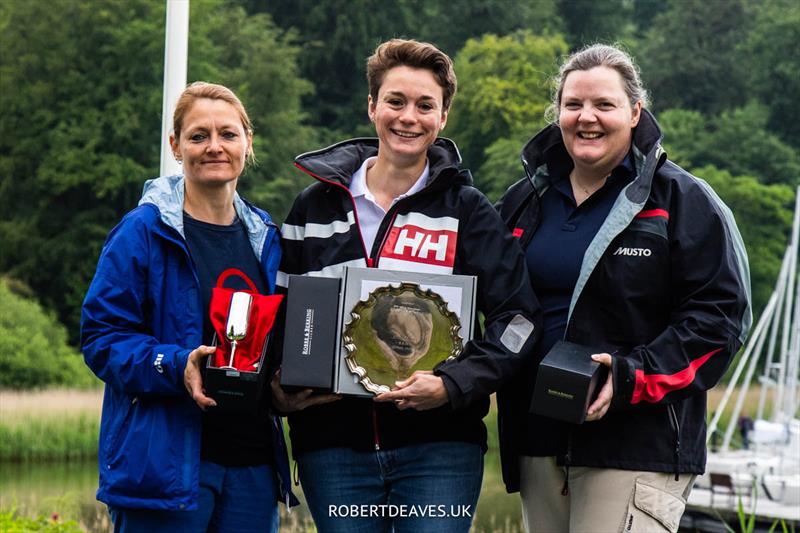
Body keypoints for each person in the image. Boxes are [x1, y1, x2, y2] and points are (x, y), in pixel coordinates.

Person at [272, 39, 540, 532]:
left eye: (425, 105)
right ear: (372, 106)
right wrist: (276, 390)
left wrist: (454, 384)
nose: (408, 117)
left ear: (443, 117)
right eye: (395, 101)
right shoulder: (313, 208)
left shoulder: (468, 211)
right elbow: (279, 315)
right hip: (332, 451)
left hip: (441, 450)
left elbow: (519, 321)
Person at [495, 43, 752, 532]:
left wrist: (632, 376)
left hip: (636, 444)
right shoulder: (522, 201)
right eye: (573, 105)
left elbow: (719, 322)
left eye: (604, 105)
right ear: (558, 114)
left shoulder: (682, 200)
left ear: (635, 112)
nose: (586, 118)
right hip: (537, 441)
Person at [81, 82, 296, 533]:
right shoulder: (141, 231)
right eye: (199, 136)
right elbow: (101, 339)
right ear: (176, 146)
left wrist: (281, 386)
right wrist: (175, 365)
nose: (214, 147)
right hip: (164, 471)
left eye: (228, 134)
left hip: (253, 469)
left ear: (247, 143)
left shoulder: (267, 240)